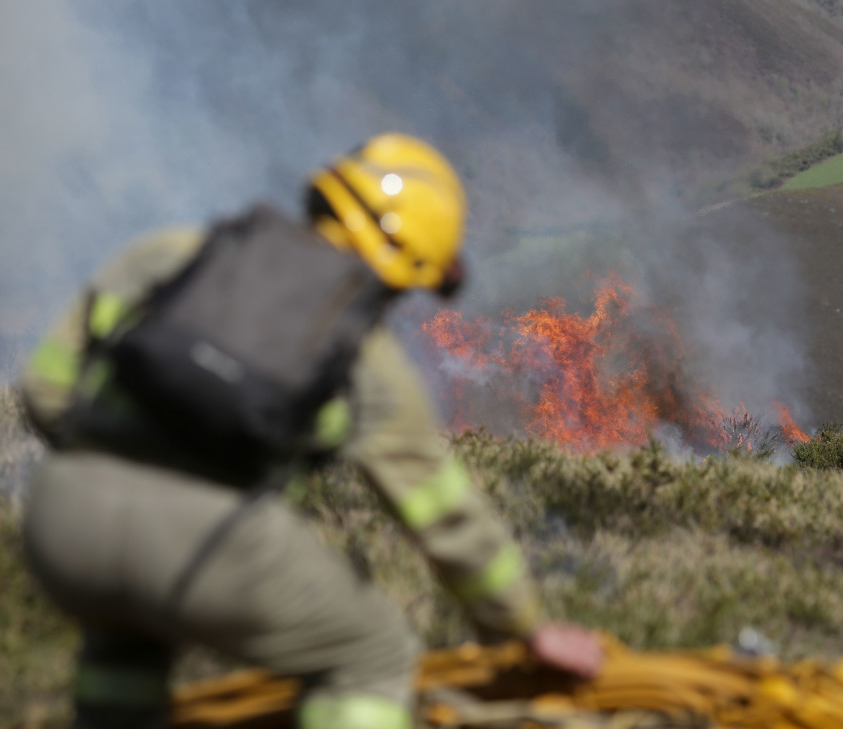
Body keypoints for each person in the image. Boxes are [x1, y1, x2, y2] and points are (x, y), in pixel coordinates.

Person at [19, 133, 603, 729]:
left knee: (125, 641)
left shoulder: (173, 253)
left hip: (61, 519)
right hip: (205, 544)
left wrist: (100, 462)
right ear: (404, 262)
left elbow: (42, 388)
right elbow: (443, 515)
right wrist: (520, 629)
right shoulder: (367, 362)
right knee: (373, 654)